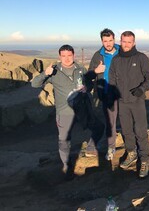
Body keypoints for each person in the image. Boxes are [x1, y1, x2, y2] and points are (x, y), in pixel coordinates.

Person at [31, 44, 101, 179]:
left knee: (99, 127)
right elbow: (35, 84)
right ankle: (67, 167)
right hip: (64, 111)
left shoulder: (80, 68)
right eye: (63, 56)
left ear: (73, 55)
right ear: (59, 57)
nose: (67, 58)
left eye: (69, 55)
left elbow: (88, 82)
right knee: (64, 140)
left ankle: (91, 148)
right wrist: (45, 73)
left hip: (82, 109)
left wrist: (88, 87)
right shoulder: (54, 70)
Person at [109, 31, 149, 178]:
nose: (126, 44)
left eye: (129, 42)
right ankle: (131, 153)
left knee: (141, 131)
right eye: (124, 41)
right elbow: (111, 79)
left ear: (134, 43)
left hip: (137, 101)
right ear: (120, 41)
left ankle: (144, 159)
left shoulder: (141, 58)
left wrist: (141, 89)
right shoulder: (116, 60)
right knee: (127, 130)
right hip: (122, 102)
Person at [85, 28, 119, 161]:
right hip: (106, 93)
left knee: (128, 119)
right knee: (110, 122)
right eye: (105, 41)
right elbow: (88, 75)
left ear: (114, 39)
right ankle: (111, 147)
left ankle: (132, 146)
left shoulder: (122, 51)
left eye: (110, 40)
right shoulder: (97, 55)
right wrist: (96, 70)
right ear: (102, 41)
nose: (108, 43)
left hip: (123, 92)